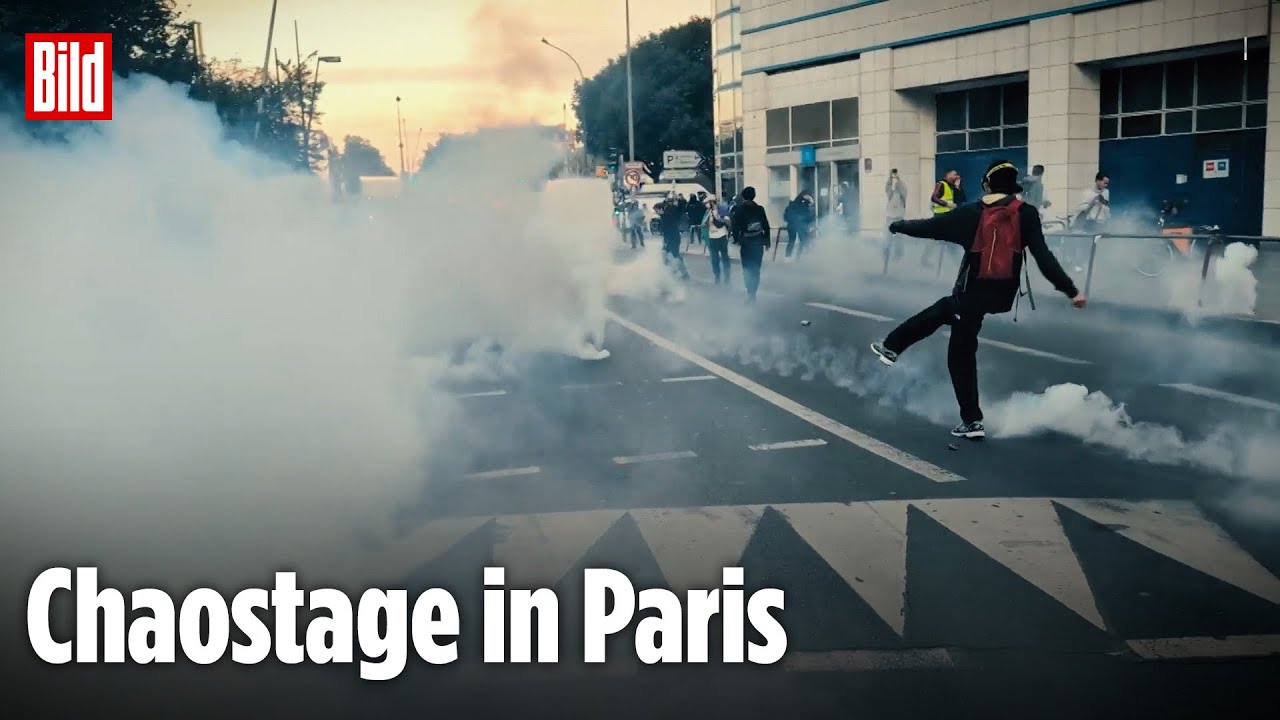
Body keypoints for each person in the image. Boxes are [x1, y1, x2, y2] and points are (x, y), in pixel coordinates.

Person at [870, 160, 1088, 440]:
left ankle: (892, 347)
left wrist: (897, 226)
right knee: (959, 346)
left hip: (972, 294)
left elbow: (929, 227)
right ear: (1014, 187)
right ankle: (970, 420)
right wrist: (1071, 290)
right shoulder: (1027, 214)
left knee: (947, 317)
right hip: (1003, 296)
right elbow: (1043, 257)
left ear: (987, 184)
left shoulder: (971, 213)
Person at [731, 186, 771, 304]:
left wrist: (737, 239)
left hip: (747, 243)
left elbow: (735, 226)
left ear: (743, 196)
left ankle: (750, 292)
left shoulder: (739, 209)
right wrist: (767, 241)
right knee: (756, 268)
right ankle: (754, 291)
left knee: (747, 268)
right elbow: (766, 225)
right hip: (758, 241)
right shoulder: (759, 209)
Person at [923, 169, 963, 266]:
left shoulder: (952, 186)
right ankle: (925, 259)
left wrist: (958, 187)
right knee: (938, 239)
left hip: (948, 217)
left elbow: (960, 200)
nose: (956, 176)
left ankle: (957, 263)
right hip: (940, 216)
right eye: (954, 174)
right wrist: (947, 204)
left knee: (948, 239)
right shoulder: (941, 184)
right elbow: (934, 197)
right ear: (947, 175)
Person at [658, 195, 690, 279]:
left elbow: (666, 226)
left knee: (674, 255)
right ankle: (675, 271)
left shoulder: (667, 215)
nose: (657, 212)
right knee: (667, 253)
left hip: (672, 237)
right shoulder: (666, 214)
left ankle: (682, 273)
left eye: (657, 210)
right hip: (671, 236)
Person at [704, 195, 732, 285]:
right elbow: (705, 224)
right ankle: (717, 277)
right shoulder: (708, 212)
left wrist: (720, 218)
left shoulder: (721, 209)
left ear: (712, 202)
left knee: (725, 257)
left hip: (722, 236)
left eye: (707, 203)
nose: (706, 204)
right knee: (714, 259)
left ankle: (727, 277)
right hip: (712, 237)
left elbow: (728, 221)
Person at [783, 192, 815, 259]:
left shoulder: (791, 205)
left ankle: (788, 257)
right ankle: (797, 257)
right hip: (800, 226)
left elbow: (785, 217)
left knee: (792, 241)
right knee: (802, 241)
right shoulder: (805, 206)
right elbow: (809, 217)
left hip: (792, 225)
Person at [885, 169, 907, 261]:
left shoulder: (902, 196)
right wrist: (890, 177)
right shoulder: (891, 194)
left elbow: (903, 189)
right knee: (888, 237)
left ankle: (898, 255)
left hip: (899, 218)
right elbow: (888, 187)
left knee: (899, 239)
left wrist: (898, 178)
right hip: (890, 218)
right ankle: (887, 253)